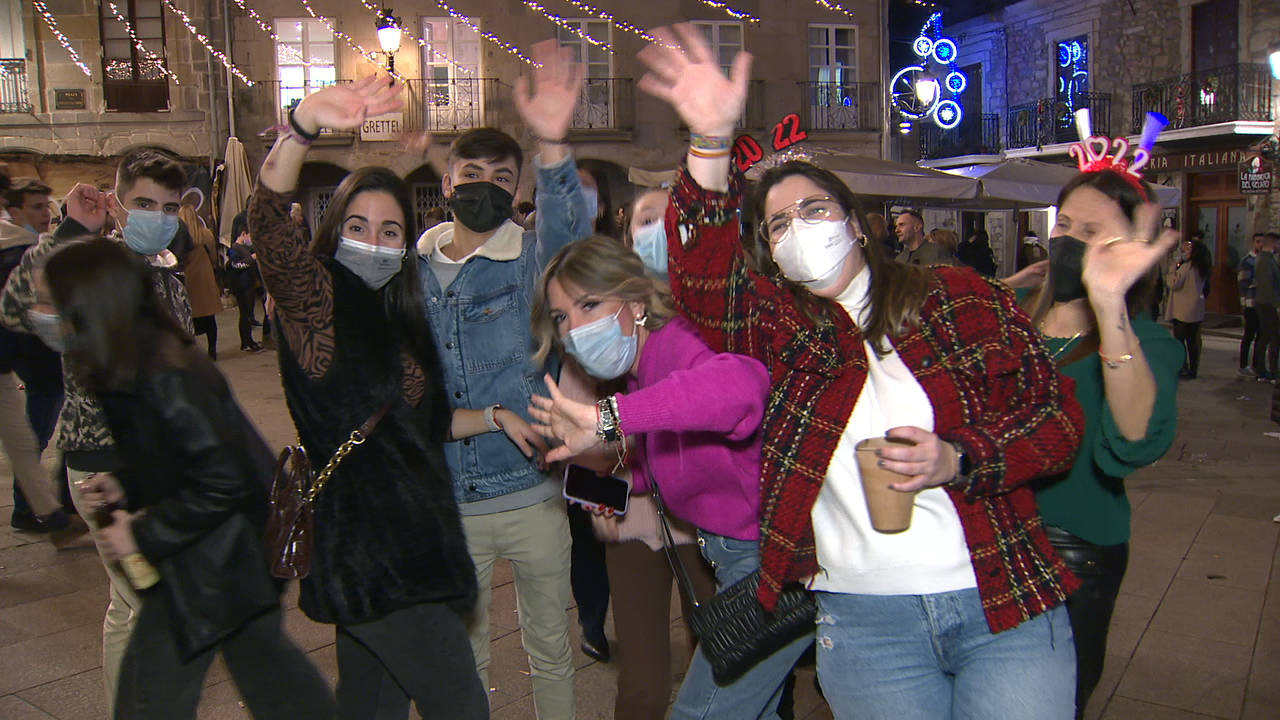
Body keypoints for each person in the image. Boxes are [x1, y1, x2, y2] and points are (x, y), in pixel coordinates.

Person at [637, 24, 1085, 718]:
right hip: (864, 624)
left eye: (814, 209)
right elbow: (702, 278)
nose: (797, 228)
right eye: (777, 225)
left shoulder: (958, 299)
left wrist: (961, 458)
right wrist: (709, 145)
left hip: (999, 600)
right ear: (769, 252)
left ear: (854, 221)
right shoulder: (782, 334)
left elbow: (1054, 422)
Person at [253, 74, 563, 719]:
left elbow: (428, 423)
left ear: (406, 245)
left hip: (414, 542)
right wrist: (304, 125)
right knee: (460, 705)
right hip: (372, 552)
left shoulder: (398, 310)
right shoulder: (319, 306)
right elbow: (269, 231)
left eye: (391, 231)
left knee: (371, 703)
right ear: (335, 229)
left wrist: (497, 415)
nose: (375, 240)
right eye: (359, 225)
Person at [45, 238, 335, 720]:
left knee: (152, 698)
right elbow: (176, 457)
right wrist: (125, 483)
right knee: (276, 681)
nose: (47, 314)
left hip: (215, 564)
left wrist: (138, 531)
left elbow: (221, 481)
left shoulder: (165, 371)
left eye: (54, 301)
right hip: (218, 560)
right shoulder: (132, 361)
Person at [528, 235, 810, 720]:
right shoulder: (639, 374)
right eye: (561, 317)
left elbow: (741, 390)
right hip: (742, 563)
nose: (575, 329)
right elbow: (674, 463)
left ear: (636, 301)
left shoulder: (676, 343)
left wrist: (612, 419)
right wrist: (613, 489)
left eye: (589, 304)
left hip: (767, 565)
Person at [414, 40, 595, 719]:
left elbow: (569, 237)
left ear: (516, 189)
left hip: (530, 496)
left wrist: (551, 144)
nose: (483, 185)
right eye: (470, 171)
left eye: (500, 175)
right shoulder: (416, 269)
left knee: (550, 647)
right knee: (464, 660)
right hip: (450, 501)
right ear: (448, 181)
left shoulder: (530, 264)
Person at [0, 148, 195, 711]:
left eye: (167, 206)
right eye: (143, 203)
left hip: (159, 464)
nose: (156, 215)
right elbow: (14, 308)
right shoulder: (84, 262)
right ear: (116, 202)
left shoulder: (166, 274)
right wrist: (65, 232)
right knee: (145, 599)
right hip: (102, 466)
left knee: (134, 602)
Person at [1021, 168, 1183, 716]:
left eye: (1092, 231)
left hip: (1071, 551)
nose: (1070, 239)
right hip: (975, 544)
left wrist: (1109, 302)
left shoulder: (1149, 344)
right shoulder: (1014, 318)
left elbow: (1135, 442)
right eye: (1064, 224)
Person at [178, 205, 222, 360]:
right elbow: (214, 257)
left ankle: (192, 352)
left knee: (188, 317)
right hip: (205, 279)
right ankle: (212, 350)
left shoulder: (178, 237)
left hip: (188, 279)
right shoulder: (207, 234)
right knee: (210, 317)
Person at [1167, 238, 1210, 379]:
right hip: (1195, 308)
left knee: (1180, 340)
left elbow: (1174, 283)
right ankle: (1193, 368)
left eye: (1187, 250)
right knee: (1192, 341)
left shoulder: (1187, 267)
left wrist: (1172, 270)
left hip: (1183, 309)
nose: (1184, 253)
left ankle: (1183, 367)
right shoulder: (1202, 267)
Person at [225, 212, 263, 352]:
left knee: (249, 314)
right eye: (250, 235)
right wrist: (251, 259)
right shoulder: (234, 249)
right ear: (243, 234)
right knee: (245, 314)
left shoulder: (245, 248)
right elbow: (236, 265)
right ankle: (245, 342)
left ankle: (249, 340)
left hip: (249, 284)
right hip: (242, 286)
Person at [1254, 232, 1280, 384]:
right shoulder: (1264, 260)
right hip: (1267, 304)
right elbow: (1267, 286)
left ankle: (1265, 370)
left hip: (1268, 303)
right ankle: (1269, 371)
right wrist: (1277, 306)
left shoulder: (1270, 259)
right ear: (1274, 243)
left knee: (1267, 337)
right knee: (1272, 337)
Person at [1238, 233, 1263, 378]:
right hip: (1250, 302)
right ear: (1253, 243)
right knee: (1249, 334)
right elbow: (1244, 282)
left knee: (1261, 334)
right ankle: (1243, 365)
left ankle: (1256, 364)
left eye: (1262, 242)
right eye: (1258, 241)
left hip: (1261, 302)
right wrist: (1261, 282)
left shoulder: (1264, 260)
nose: (1260, 244)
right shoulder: (1247, 261)